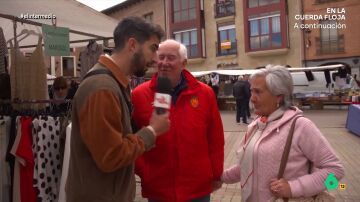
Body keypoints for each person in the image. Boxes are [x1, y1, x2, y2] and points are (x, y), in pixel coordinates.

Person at [66, 16, 170, 202]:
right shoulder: (102, 88)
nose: (156, 59)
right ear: (132, 45)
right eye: (153, 49)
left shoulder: (113, 83)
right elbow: (111, 156)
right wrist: (152, 131)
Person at [221, 65, 344, 202]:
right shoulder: (257, 125)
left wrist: (294, 187)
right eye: (251, 92)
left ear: (278, 96)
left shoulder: (300, 126)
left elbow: (336, 171)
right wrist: (220, 178)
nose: (252, 98)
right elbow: (248, 166)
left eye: (258, 92)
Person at [132, 39, 225, 202]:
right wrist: (144, 170)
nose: (164, 63)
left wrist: (216, 173)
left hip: (197, 188)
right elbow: (130, 136)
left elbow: (215, 138)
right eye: (160, 57)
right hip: (158, 189)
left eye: (170, 58)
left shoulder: (205, 93)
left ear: (184, 63)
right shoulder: (139, 95)